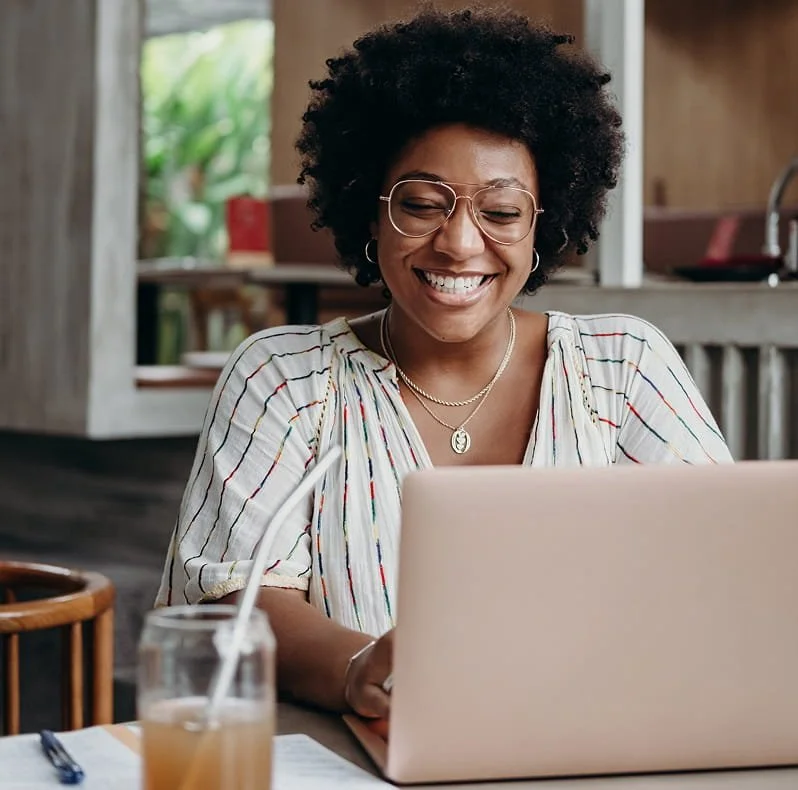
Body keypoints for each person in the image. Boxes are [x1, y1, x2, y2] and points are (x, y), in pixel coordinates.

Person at [156, 6, 731, 724]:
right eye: (422, 204)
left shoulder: (623, 368)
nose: (459, 244)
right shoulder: (283, 379)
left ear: (544, 222)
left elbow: (721, 570)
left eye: (500, 212)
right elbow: (233, 597)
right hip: (355, 757)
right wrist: (355, 669)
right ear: (369, 214)